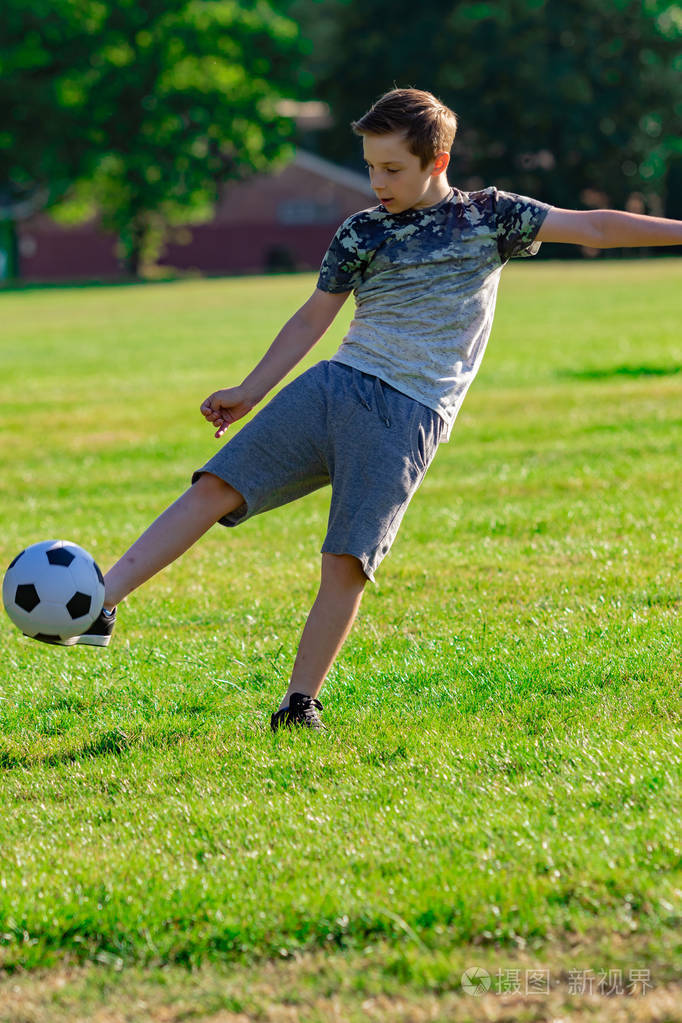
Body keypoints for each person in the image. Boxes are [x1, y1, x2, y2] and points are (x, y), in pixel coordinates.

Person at [33, 88, 682, 731]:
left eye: (392, 168)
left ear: (439, 159)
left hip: (408, 414)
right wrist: (252, 389)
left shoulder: (491, 216)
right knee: (215, 485)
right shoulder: (361, 231)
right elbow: (314, 316)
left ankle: (298, 702)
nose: (378, 181)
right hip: (334, 387)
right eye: (371, 166)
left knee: (346, 559)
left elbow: (594, 227)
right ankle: (99, 601)